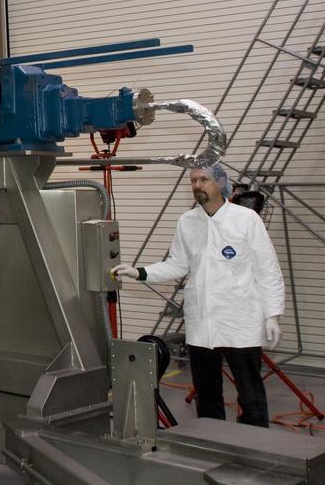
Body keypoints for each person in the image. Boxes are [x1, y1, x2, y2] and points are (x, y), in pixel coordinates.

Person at [111, 163, 284, 427]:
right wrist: (139, 272)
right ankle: (211, 437)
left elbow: (267, 268)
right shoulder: (187, 221)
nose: (197, 185)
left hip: (241, 319)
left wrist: (272, 315)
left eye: (203, 179)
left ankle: (255, 444)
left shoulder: (246, 219)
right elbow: (177, 264)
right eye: (193, 181)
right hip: (202, 321)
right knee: (206, 390)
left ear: (220, 183)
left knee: (250, 392)